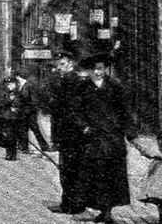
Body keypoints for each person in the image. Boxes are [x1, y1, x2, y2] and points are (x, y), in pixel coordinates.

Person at [75, 52, 133, 224]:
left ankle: (107, 210)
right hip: (92, 138)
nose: (97, 72)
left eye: (100, 69)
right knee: (94, 174)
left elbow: (124, 111)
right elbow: (75, 110)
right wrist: (83, 126)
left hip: (112, 137)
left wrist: (130, 133)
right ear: (90, 71)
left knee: (111, 175)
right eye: (94, 69)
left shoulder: (115, 87)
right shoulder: (83, 87)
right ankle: (100, 208)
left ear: (105, 69)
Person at [47, 50, 86, 215]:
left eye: (62, 64)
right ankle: (72, 203)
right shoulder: (65, 80)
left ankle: (71, 205)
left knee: (70, 170)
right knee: (69, 169)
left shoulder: (73, 81)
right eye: (58, 65)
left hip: (72, 133)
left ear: (71, 64)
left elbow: (72, 109)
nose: (59, 68)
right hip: (66, 132)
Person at [0, 75, 21, 161]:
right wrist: (9, 100)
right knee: (7, 136)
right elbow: (1, 103)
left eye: (12, 83)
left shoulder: (18, 93)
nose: (10, 85)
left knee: (14, 136)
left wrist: (16, 107)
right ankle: (8, 153)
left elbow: (21, 103)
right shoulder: (5, 93)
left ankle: (13, 154)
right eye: (8, 83)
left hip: (15, 117)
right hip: (6, 116)